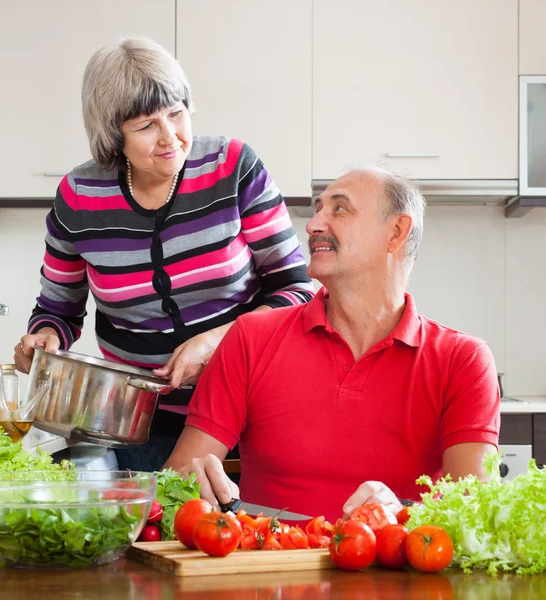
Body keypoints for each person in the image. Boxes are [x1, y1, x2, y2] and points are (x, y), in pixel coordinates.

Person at [13, 37, 314, 471]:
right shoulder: (80, 197)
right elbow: (58, 308)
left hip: (253, 406)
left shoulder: (231, 168)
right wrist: (46, 338)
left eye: (176, 114)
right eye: (146, 126)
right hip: (138, 419)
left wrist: (215, 344)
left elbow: (297, 292)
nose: (170, 137)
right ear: (113, 137)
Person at [164, 167, 501, 521]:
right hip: (269, 567)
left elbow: (474, 508)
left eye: (339, 209)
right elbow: (177, 481)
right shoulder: (250, 336)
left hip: (398, 572)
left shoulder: (463, 360)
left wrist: (404, 513)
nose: (313, 225)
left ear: (396, 233)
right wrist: (191, 480)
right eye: (318, 208)